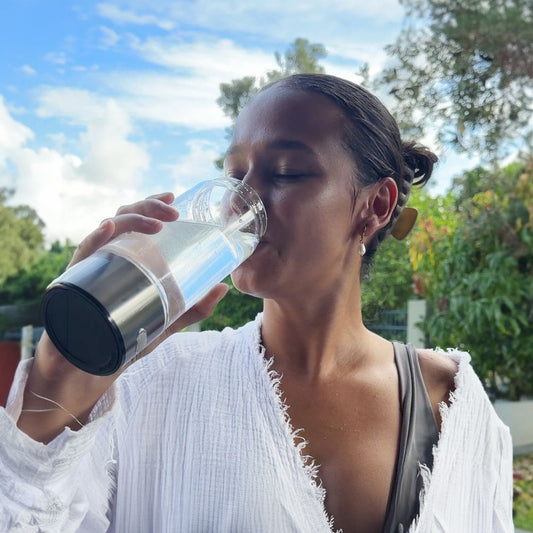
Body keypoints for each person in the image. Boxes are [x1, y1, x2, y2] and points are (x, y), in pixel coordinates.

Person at [0, 74, 513, 533]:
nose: (239, 200)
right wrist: (55, 382)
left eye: (286, 172)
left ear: (375, 206)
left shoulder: (454, 404)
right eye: (235, 174)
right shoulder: (151, 384)